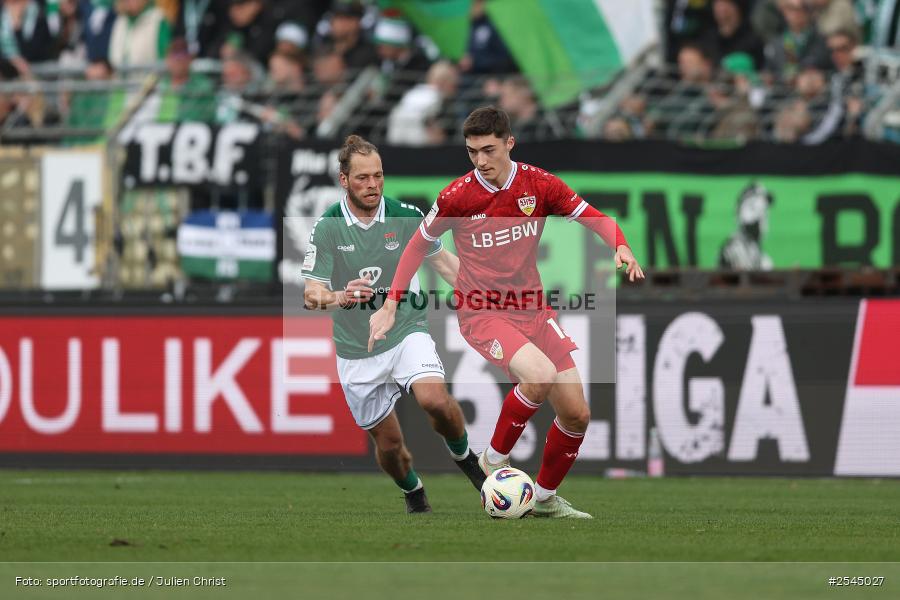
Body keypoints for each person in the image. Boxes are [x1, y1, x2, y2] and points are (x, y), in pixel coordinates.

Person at [368, 107, 645, 518]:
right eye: (472, 152)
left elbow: (594, 218)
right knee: (539, 375)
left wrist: (620, 244)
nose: (480, 160)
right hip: (482, 311)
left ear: (509, 143)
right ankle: (492, 460)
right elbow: (417, 246)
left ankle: (545, 499)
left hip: (533, 309)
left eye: (488, 150)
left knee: (576, 414)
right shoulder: (457, 196)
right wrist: (391, 303)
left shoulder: (539, 184)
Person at [301, 135, 486, 514]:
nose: (373, 185)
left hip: (405, 327)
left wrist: (488, 295)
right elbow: (311, 294)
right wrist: (340, 296)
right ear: (344, 180)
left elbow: (445, 264)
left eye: (378, 176)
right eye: (363, 178)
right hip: (357, 349)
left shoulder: (405, 216)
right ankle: (413, 490)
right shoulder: (328, 227)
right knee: (390, 448)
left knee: (435, 400)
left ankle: (469, 461)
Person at [719, 182, 774, 270]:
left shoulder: (762, 258)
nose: (759, 217)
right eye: (752, 208)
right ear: (738, 212)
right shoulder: (732, 250)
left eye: (763, 210)